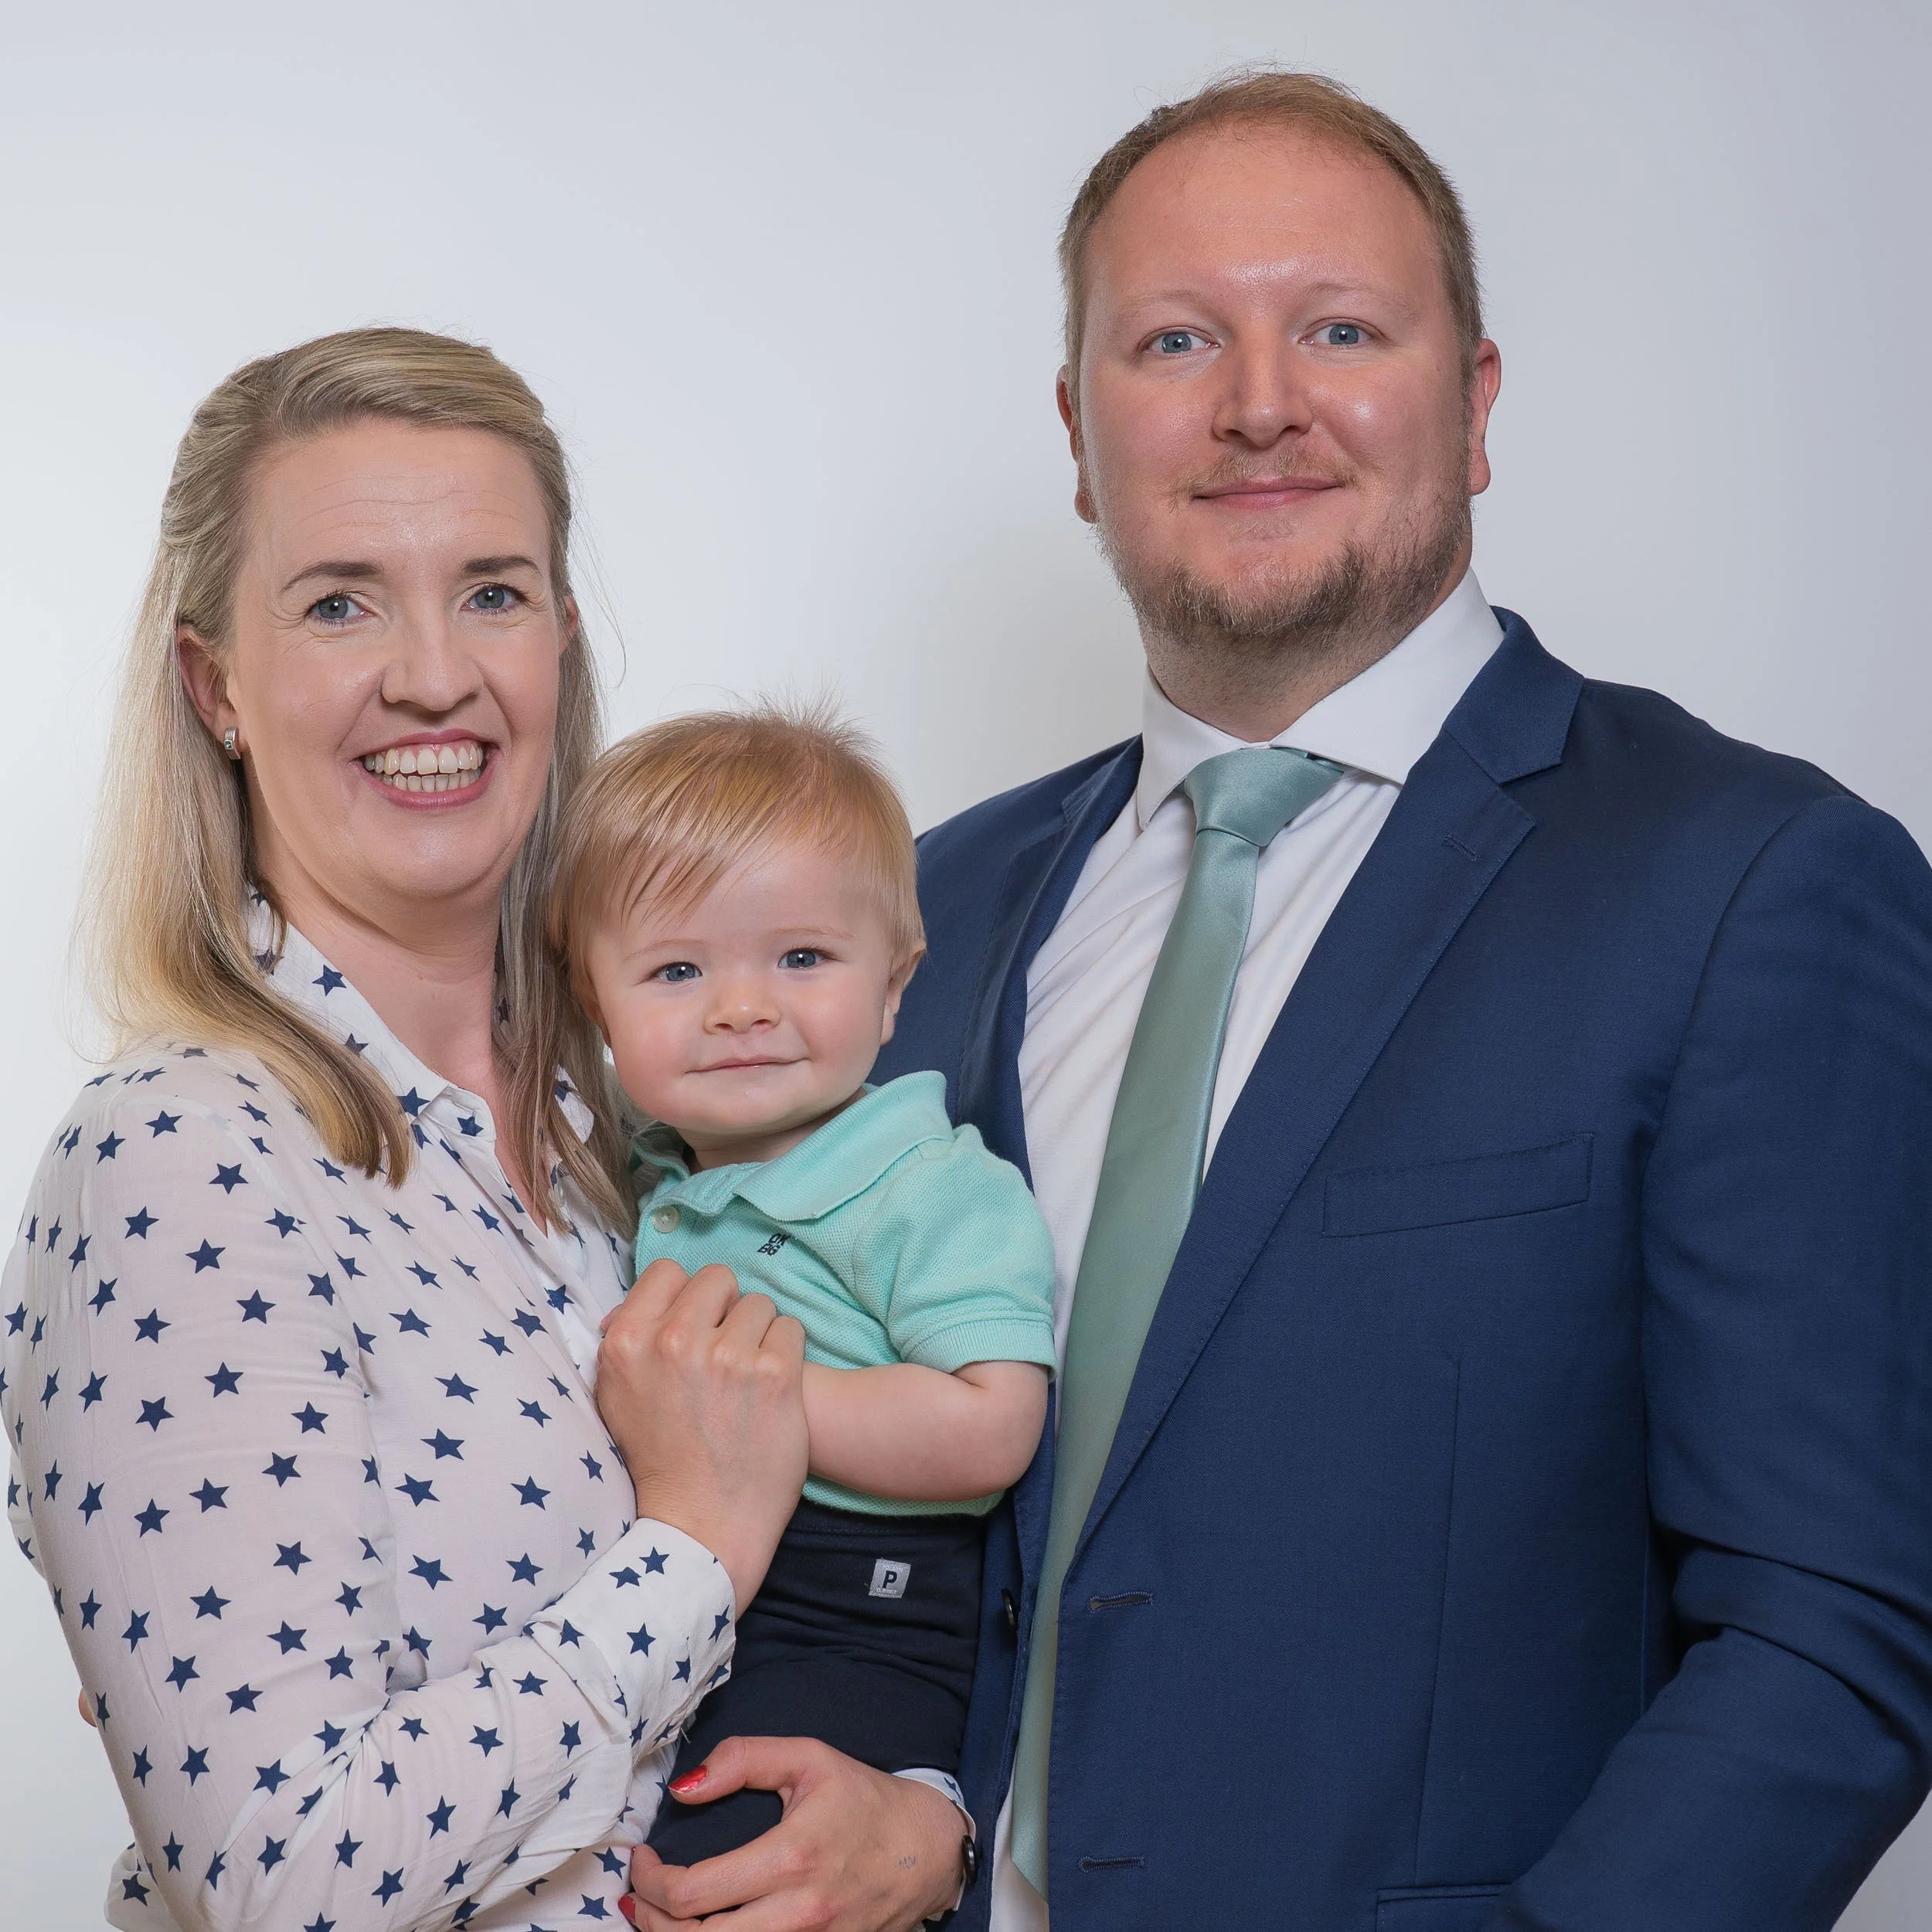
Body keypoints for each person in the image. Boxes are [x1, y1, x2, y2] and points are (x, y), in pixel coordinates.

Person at [879, 70, 1932, 1932]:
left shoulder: (1745, 882)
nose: (1258, 401)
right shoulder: (916, 916)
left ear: (1474, 397)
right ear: (1075, 428)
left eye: (1340, 328)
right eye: (1175, 338)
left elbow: (1831, 1628)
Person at [0, 328, 964, 1932]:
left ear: (560, 646)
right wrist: (693, 1545)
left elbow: (901, 1574)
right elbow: (275, 1881)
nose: (434, 674)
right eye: (339, 602)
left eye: (493, 591)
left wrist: (914, 1820)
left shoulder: (653, 1131)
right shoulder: (182, 1162)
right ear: (212, 683)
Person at [543, 706, 1056, 1869]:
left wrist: (750, 1405)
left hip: (863, 1611)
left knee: (734, 1855)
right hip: (700, 1591)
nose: (742, 1007)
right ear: (595, 1003)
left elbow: (993, 1423)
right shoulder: (645, 1168)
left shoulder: (924, 1184)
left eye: (802, 959)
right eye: (677, 969)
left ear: (895, 983)